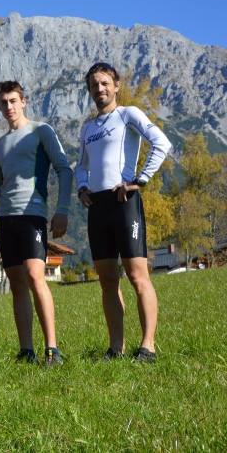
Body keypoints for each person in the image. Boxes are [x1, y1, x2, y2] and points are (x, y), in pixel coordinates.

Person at [76, 62, 172, 363]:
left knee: (137, 276)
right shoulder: (87, 128)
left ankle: (148, 346)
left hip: (124, 202)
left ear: (117, 85)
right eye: (94, 85)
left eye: (105, 83)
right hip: (97, 207)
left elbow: (161, 143)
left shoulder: (128, 114)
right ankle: (116, 347)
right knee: (107, 279)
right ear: (89, 90)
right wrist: (81, 188)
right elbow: (81, 166)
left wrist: (140, 180)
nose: (100, 89)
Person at [0, 81, 72, 366]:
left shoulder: (41, 130)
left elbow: (64, 169)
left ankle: (52, 349)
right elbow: (1, 187)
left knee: (35, 275)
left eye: (13, 101)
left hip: (33, 214)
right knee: (17, 283)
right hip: (6, 220)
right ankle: (26, 351)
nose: (9, 107)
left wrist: (62, 209)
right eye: (3, 103)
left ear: (23, 102)